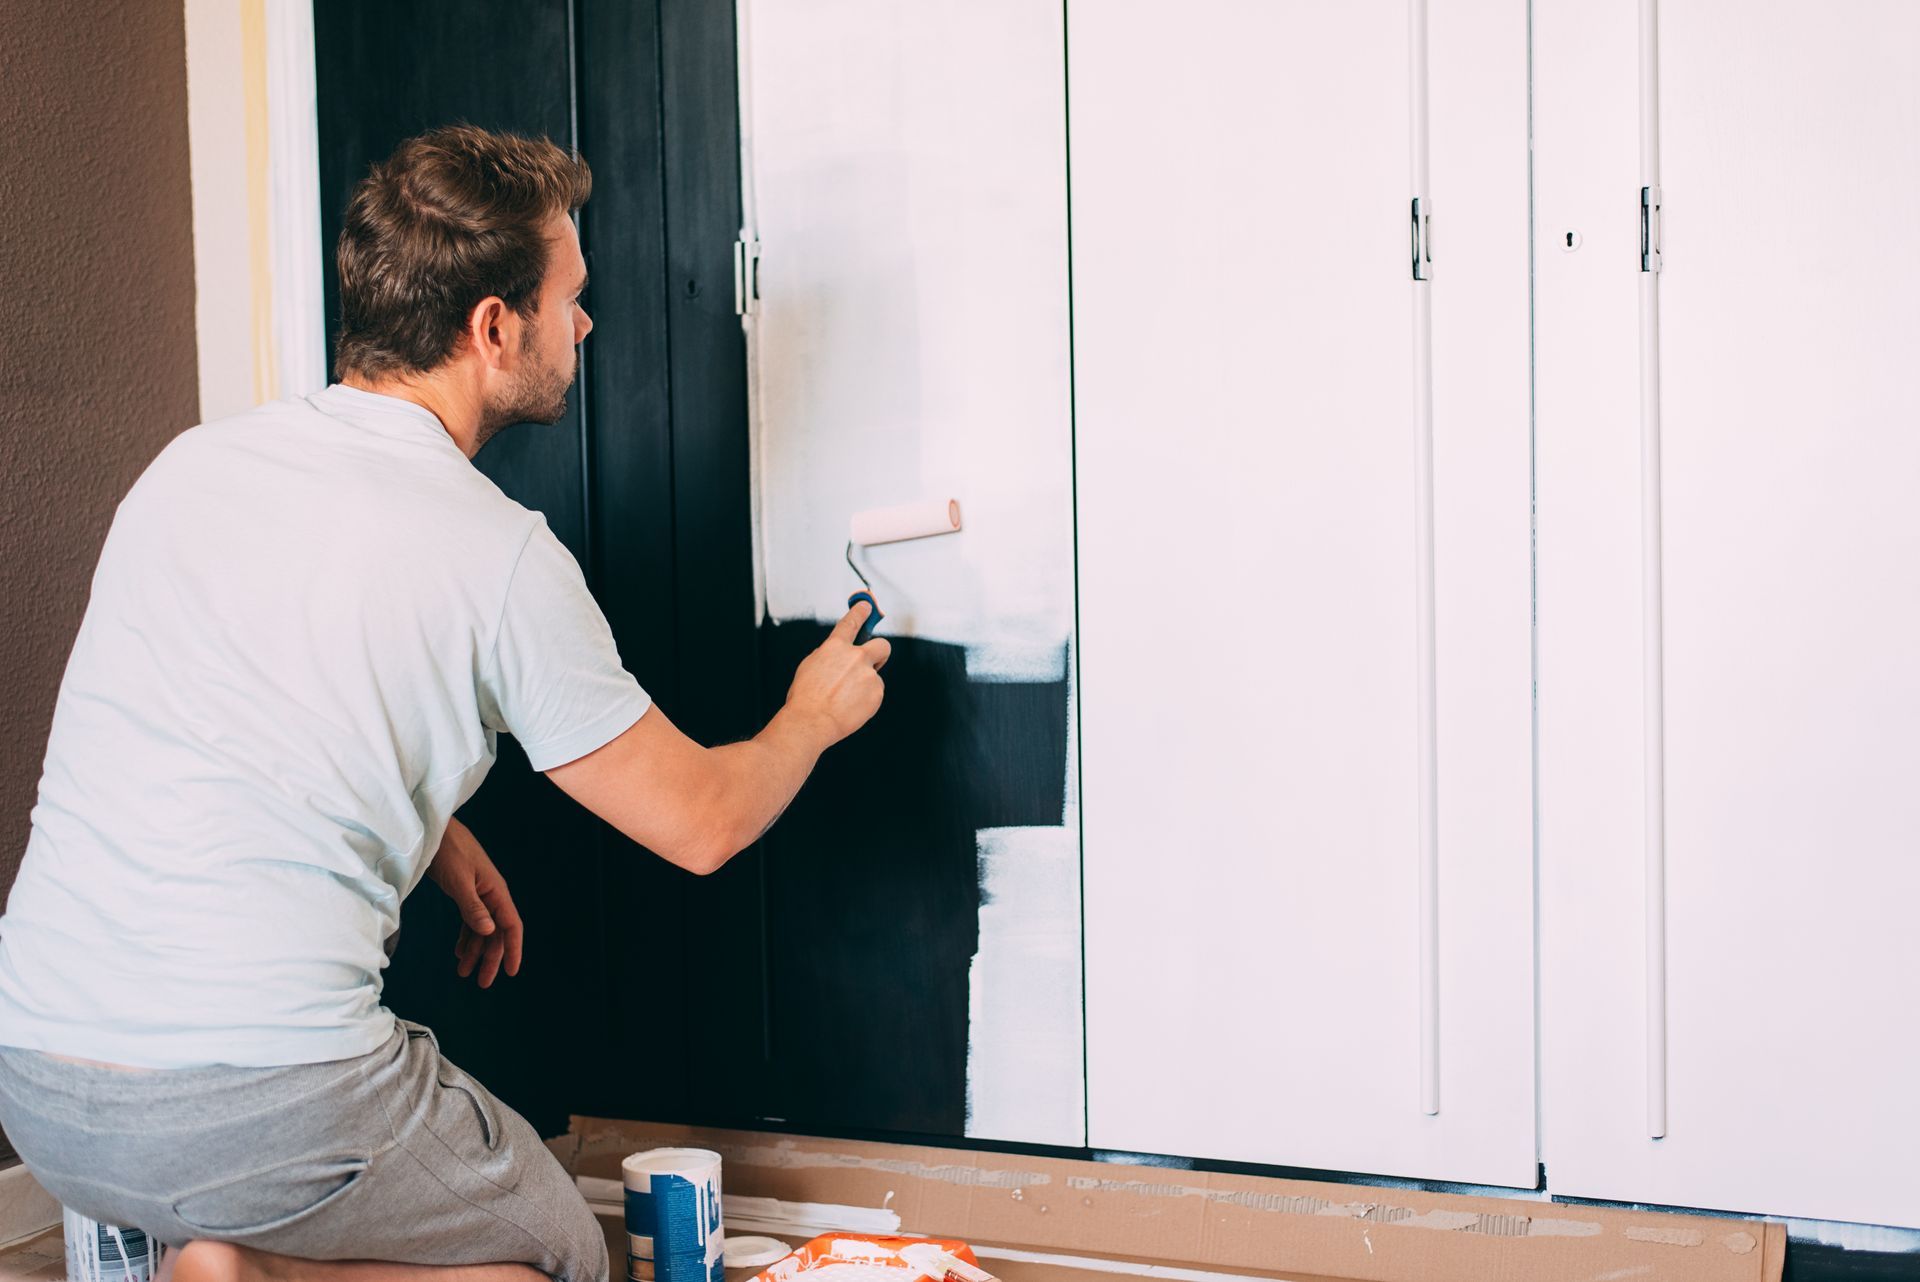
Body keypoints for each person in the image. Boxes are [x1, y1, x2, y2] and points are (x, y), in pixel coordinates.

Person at [0, 125, 888, 1282]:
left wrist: (432, 832)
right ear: (492, 326)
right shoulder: (498, 555)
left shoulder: (194, 467)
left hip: (43, 1083)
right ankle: (244, 1267)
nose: (584, 324)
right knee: (563, 1255)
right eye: (571, 298)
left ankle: (227, 1258)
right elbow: (702, 822)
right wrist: (810, 713)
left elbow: (224, 726)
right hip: (265, 1101)